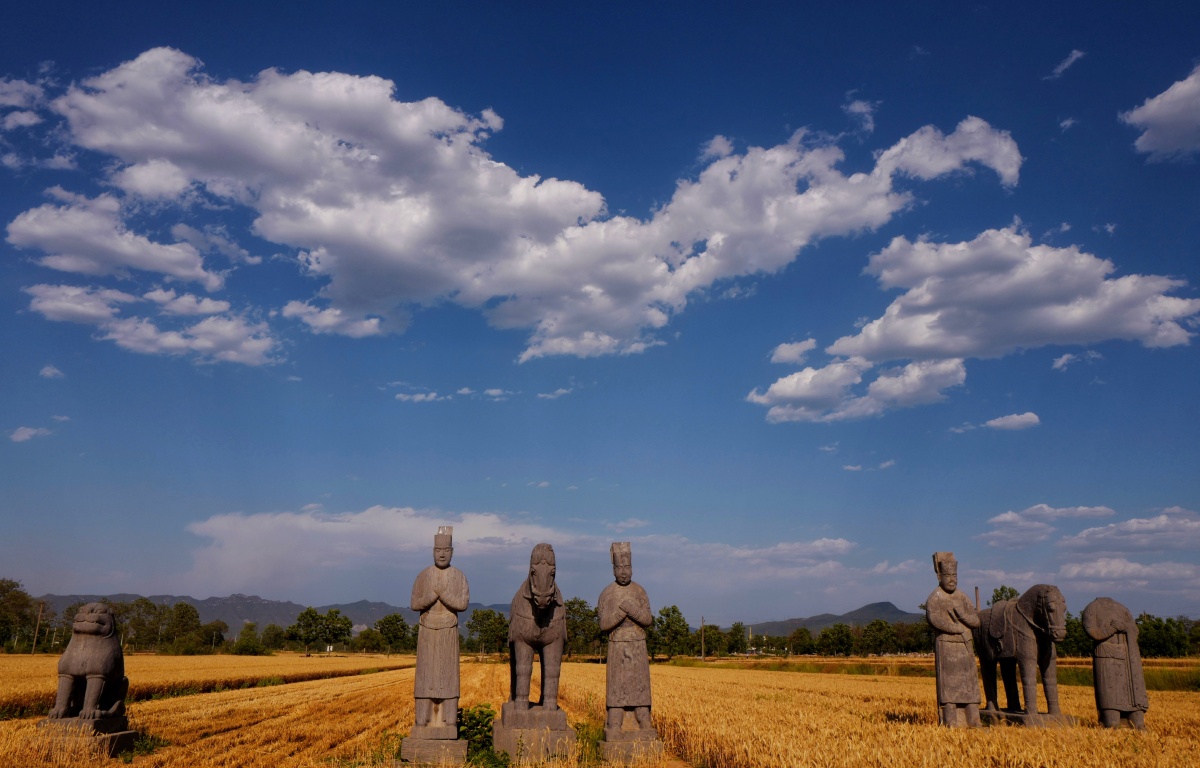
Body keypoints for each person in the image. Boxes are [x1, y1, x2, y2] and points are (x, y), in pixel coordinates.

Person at [410, 526, 469, 730]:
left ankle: (449, 721)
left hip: (448, 631)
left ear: (452, 552)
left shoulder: (459, 576)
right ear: (432, 551)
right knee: (425, 677)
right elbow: (414, 603)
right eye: (438, 550)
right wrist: (431, 596)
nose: (442, 554)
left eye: (445, 550)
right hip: (427, 632)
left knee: (448, 677)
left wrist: (444, 595)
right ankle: (422, 720)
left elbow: (462, 604)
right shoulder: (423, 576)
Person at [597, 542, 654, 733]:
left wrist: (633, 610)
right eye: (619, 567)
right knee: (617, 686)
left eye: (627, 567)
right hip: (617, 645)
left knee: (640, 686)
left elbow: (647, 619)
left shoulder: (639, 591)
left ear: (632, 567)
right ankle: (615, 720)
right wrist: (620, 613)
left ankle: (643, 718)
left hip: (638, 645)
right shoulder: (607, 593)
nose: (623, 572)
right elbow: (603, 624)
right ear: (613, 569)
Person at [925, 552, 981, 727]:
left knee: (970, 686)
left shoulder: (962, 597)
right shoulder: (935, 597)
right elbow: (934, 618)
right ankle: (951, 721)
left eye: (954, 575)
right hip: (947, 646)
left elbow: (976, 621)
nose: (952, 579)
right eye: (948, 575)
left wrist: (963, 615)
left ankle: (974, 721)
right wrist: (955, 628)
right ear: (939, 576)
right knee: (949, 688)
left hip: (965, 647)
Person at [1082, 597, 1148, 729]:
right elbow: (1093, 632)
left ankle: (1134, 718)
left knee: (1137, 718)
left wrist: (1125, 627)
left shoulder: (1122, 609)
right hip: (1107, 659)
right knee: (1110, 706)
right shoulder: (1092, 608)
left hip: (1128, 661)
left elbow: (1134, 630)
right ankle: (1111, 720)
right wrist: (1112, 628)